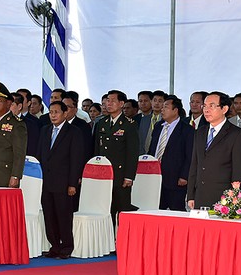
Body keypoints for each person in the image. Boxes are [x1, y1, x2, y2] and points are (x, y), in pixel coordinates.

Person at [37, 101, 84, 259]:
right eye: (51, 112)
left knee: (63, 216)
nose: (53, 115)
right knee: (49, 216)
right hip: (46, 182)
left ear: (65, 113)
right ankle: (55, 246)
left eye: (56, 112)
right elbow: (40, 155)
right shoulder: (44, 130)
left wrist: (72, 183)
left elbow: (75, 160)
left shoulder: (73, 132)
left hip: (63, 183)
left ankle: (66, 247)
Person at [188, 92, 241, 209]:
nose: (206, 110)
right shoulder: (200, 132)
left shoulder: (237, 135)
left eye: (212, 106)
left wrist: (234, 202)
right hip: (199, 197)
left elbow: (239, 172)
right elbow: (194, 164)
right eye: (204, 106)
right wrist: (191, 195)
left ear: (224, 109)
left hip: (223, 200)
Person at [94, 90, 138, 226]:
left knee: (123, 210)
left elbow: (132, 152)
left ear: (121, 104)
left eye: (113, 100)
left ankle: (122, 242)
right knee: (106, 210)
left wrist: (129, 176)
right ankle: (108, 241)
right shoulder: (102, 123)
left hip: (120, 175)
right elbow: (96, 149)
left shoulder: (129, 124)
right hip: (104, 175)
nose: (109, 103)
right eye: (107, 100)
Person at [147, 96, 193, 211]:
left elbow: (190, 155)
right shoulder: (158, 127)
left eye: (166, 107)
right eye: (162, 107)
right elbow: (152, 149)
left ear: (175, 110)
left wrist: (184, 175)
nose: (162, 110)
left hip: (176, 179)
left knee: (176, 210)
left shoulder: (187, 130)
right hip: (155, 178)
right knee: (156, 210)